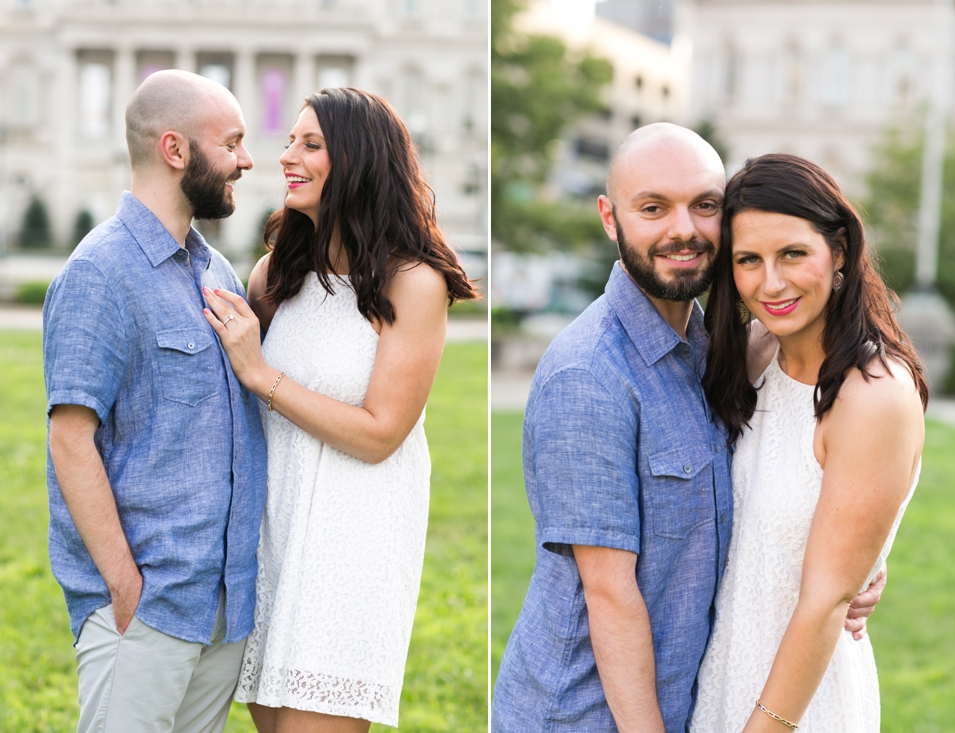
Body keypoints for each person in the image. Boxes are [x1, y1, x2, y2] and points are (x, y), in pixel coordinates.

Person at [491, 124, 883, 733]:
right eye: (653, 208)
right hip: (588, 715)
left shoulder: (719, 352)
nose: (684, 229)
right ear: (610, 218)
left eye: (704, 205)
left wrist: (858, 563)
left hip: (695, 701)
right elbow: (610, 594)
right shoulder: (588, 373)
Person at [201, 87, 477, 732]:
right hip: (273, 532)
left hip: (352, 546)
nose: (287, 156)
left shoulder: (414, 283)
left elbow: (382, 433)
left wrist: (260, 373)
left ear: (356, 160)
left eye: (311, 143)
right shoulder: (275, 276)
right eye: (291, 140)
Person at [43, 70, 265, 733]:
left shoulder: (216, 273)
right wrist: (123, 585)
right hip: (146, 608)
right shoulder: (98, 272)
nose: (247, 159)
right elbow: (69, 437)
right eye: (232, 142)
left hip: (220, 608)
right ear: (175, 150)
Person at [691, 153, 927, 732]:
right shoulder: (753, 355)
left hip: (800, 704)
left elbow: (823, 603)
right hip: (720, 677)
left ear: (839, 251)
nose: (771, 283)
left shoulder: (873, 395)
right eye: (749, 260)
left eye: (793, 253)